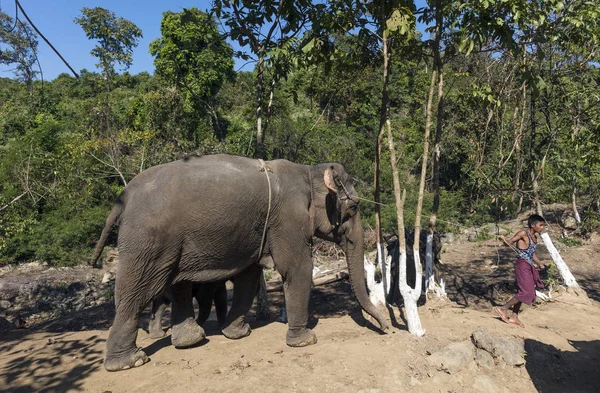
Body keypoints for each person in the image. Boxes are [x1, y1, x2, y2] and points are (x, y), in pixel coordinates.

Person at [494, 214, 547, 328]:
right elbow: (509, 243)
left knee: (523, 291)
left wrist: (540, 263)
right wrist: (504, 240)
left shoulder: (535, 238)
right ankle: (503, 308)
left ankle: (514, 316)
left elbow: (531, 254)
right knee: (526, 292)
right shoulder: (523, 233)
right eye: (540, 225)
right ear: (533, 225)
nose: (542, 227)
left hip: (529, 265)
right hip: (522, 265)